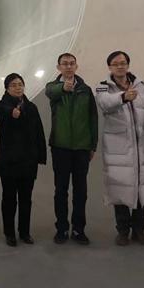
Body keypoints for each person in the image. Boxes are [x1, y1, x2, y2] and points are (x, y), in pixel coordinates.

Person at [95, 51, 144, 247]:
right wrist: (123, 97)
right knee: (120, 189)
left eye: (123, 63)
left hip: (142, 145)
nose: (120, 66)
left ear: (128, 65)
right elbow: (104, 104)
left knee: (142, 187)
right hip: (117, 147)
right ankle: (123, 231)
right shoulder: (103, 87)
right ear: (109, 67)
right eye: (116, 63)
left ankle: (140, 230)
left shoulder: (141, 87)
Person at [45, 53, 98, 246]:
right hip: (60, 146)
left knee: (81, 190)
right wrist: (63, 88)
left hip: (82, 147)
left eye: (71, 63)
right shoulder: (53, 87)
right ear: (58, 67)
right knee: (61, 189)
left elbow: (93, 118)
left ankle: (78, 229)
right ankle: (61, 228)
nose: (68, 67)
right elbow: (51, 92)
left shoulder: (85, 90)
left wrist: (92, 144)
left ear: (76, 66)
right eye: (65, 64)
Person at [0, 73, 46, 246]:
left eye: (20, 84)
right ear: (7, 88)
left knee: (26, 198)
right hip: (9, 162)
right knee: (9, 199)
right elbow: (3, 112)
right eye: (14, 85)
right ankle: (9, 233)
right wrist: (12, 113)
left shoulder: (31, 107)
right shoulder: (2, 106)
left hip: (28, 161)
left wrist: (41, 155)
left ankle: (25, 232)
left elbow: (39, 132)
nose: (18, 88)